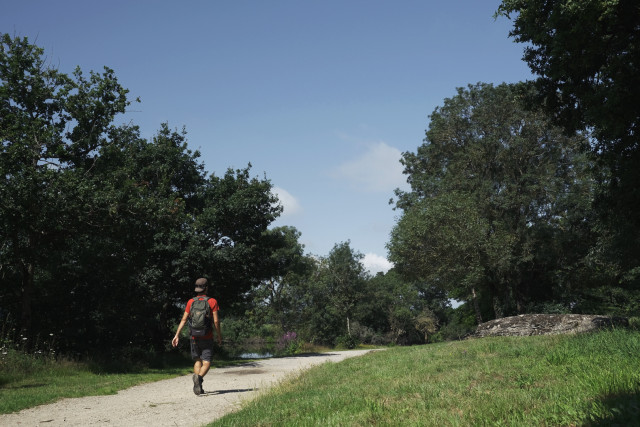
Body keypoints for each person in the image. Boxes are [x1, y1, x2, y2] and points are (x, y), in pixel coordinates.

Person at [172, 278, 222, 395]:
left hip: (194, 336)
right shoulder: (212, 301)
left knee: (198, 360)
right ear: (206, 288)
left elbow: (184, 319)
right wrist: (219, 335)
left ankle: (198, 384)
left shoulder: (191, 302)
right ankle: (199, 378)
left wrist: (177, 334)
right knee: (207, 362)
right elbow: (216, 321)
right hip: (207, 336)